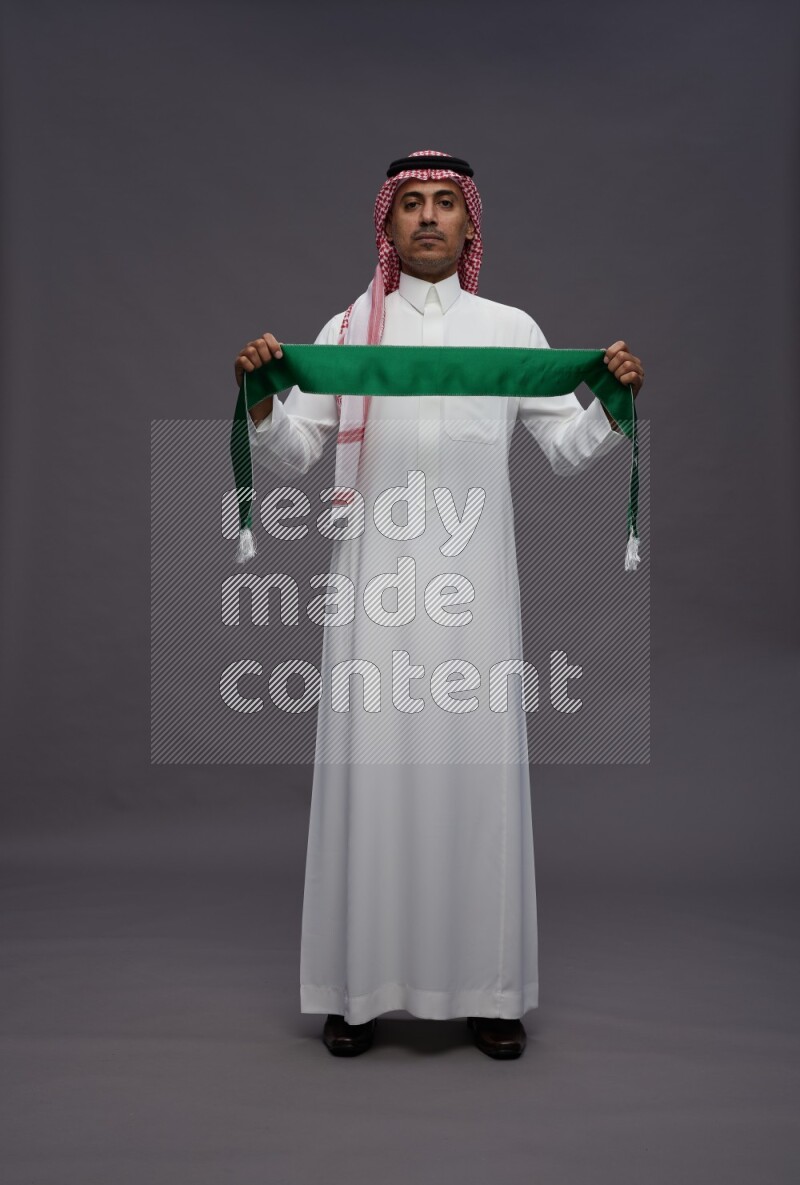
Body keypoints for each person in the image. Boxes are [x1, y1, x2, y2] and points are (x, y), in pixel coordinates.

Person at [234, 150, 645, 1060]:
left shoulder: (510, 329)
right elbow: (297, 451)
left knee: (476, 777)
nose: (427, 218)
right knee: (369, 774)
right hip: (371, 588)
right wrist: (263, 399)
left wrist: (613, 396)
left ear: (470, 227)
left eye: (444, 205)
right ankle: (357, 987)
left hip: (475, 598)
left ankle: (489, 990)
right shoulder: (348, 330)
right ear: (386, 225)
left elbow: (569, 450)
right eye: (411, 204)